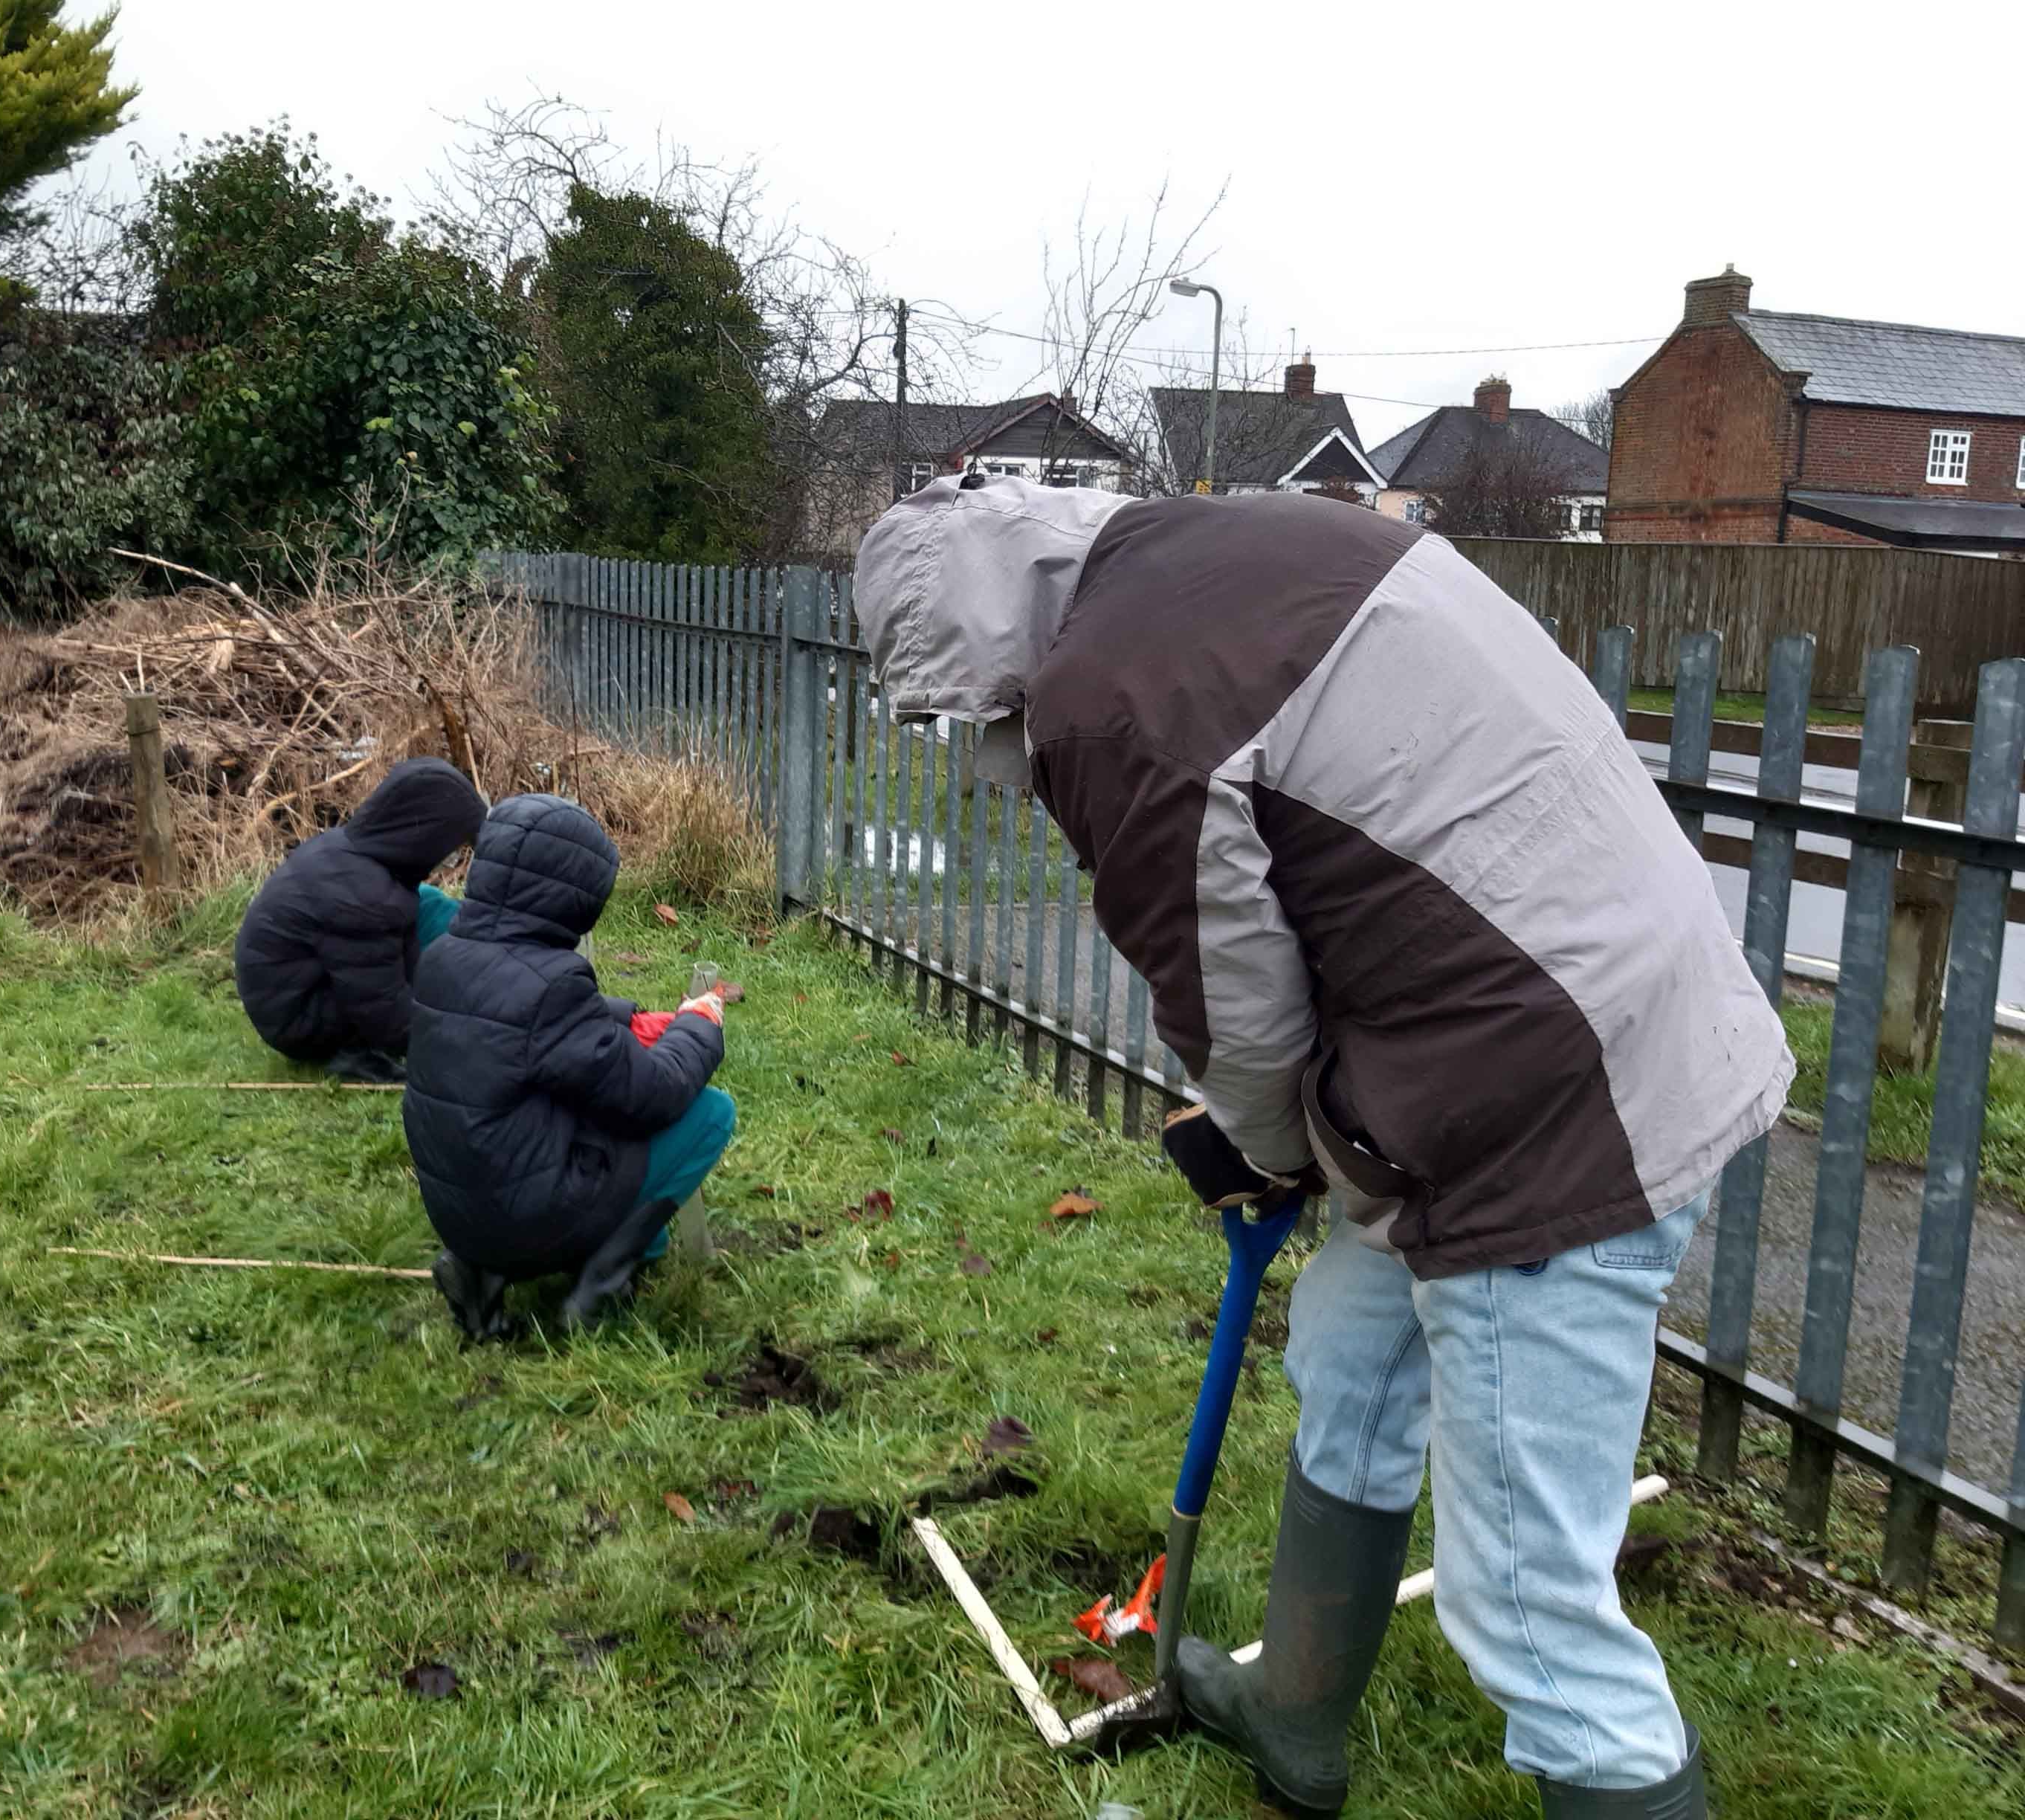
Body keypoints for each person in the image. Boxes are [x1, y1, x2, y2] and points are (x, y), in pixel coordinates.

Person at [853, 474, 1790, 1819]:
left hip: (1540, 1113)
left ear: (969, 650)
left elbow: (1235, 1009)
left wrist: (1256, 1149)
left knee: (1523, 1603)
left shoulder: (1112, 694)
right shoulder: (1236, 542)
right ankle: (1293, 1722)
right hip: (1562, 1016)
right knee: (1350, 1359)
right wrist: (1299, 1141)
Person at [400, 793, 734, 1338]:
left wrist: (625, 1018)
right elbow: (653, 1093)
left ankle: (478, 1272)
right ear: (575, 895)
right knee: (709, 1113)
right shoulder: (554, 985)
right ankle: (598, 1287)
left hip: (459, 1212)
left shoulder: (445, 956)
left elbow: (512, 1017)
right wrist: (700, 1023)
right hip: (526, 1219)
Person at [233, 758, 485, 1084]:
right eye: (452, 844)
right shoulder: (362, 895)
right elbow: (380, 1005)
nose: (447, 856)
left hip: (292, 987)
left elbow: (400, 963)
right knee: (392, 1013)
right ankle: (354, 1056)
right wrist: (453, 1047)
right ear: (427, 835)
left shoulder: (354, 853)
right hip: (296, 1016)